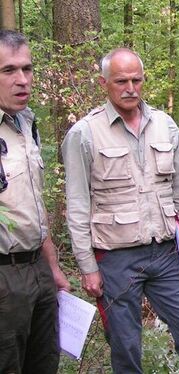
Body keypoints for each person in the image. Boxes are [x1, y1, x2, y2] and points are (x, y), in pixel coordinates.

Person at [62, 48, 179, 374]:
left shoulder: (165, 125)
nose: (130, 87)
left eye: (136, 79)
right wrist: (88, 267)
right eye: (121, 81)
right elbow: (76, 206)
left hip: (166, 253)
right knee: (126, 346)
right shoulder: (84, 134)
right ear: (104, 83)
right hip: (115, 259)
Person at [0, 30, 71, 373]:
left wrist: (53, 268)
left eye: (27, 69)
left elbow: (33, 203)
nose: (22, 80)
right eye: (9, 70)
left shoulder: (27, 123)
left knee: (43, 362)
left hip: (38, 270)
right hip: (3, 276)